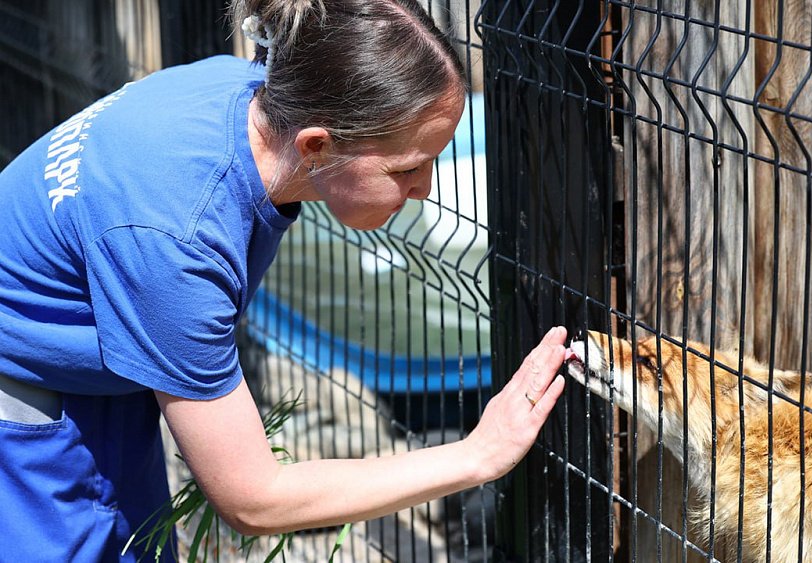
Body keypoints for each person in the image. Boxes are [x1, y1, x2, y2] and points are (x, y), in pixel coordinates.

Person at [0, 1, 568, 560]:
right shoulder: (178, 239)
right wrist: (478, 454)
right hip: (23, 396)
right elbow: (253, 500)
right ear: (317, 146)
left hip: (95, 370)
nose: (425, 188)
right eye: (406, 169)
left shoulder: (248, 92)